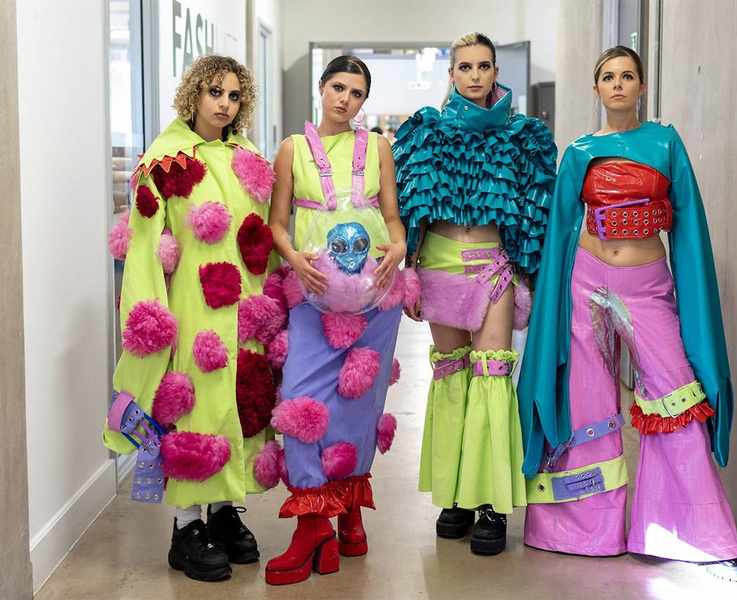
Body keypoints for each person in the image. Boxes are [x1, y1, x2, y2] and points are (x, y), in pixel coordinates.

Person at [517, 45, 737, 582]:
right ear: (595, 88)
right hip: (585, 282)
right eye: (608, 77)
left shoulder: (666, 143)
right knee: (586, 402)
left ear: (642, 86)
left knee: (675, 396)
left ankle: (696, 535)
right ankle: (579, 531)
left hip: (648, 287)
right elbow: (560, 233)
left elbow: (689, 228)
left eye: (627, 76)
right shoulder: (577, 151)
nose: (618, 85)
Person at [104, 55, 284, 582]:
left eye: (232, 96)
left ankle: (226, 512)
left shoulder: (249, 156)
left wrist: (271, 305)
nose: (223, 105)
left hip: (243, 309)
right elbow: (142, 244)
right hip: (193, 306)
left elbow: (261, 241)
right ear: (194, 95)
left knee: (236, 403)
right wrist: (148, 314)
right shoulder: (165, 161)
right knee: (195, 407)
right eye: (214, 94)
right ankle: (186, 527)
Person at [393, 32, 556, 555]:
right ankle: (456, 497)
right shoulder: (424, 133)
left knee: (491, 379)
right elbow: (408, 211)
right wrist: (409, 274)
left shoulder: (524, 136)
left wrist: (528, 273)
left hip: (493, 271)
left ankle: (488, 502)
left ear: (495, 71)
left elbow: (536, 214)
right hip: (437, 270)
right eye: (465, 66)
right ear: (452, 74)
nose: (476, 75)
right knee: (452, 380)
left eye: (484, 65)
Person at [265, 55, 412, 585]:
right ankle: (310, 522)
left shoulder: (378, 148)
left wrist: (398, 245)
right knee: (300, 397)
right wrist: (294, 259)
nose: (345, 99)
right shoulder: (291, 150)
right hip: (313, 292)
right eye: (337, 87)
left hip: (376, 292)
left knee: (362, 402)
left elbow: (392, 216)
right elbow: (278, 222)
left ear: (363, 102)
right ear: (321, 89)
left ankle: (349, 509)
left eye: (355, 92)